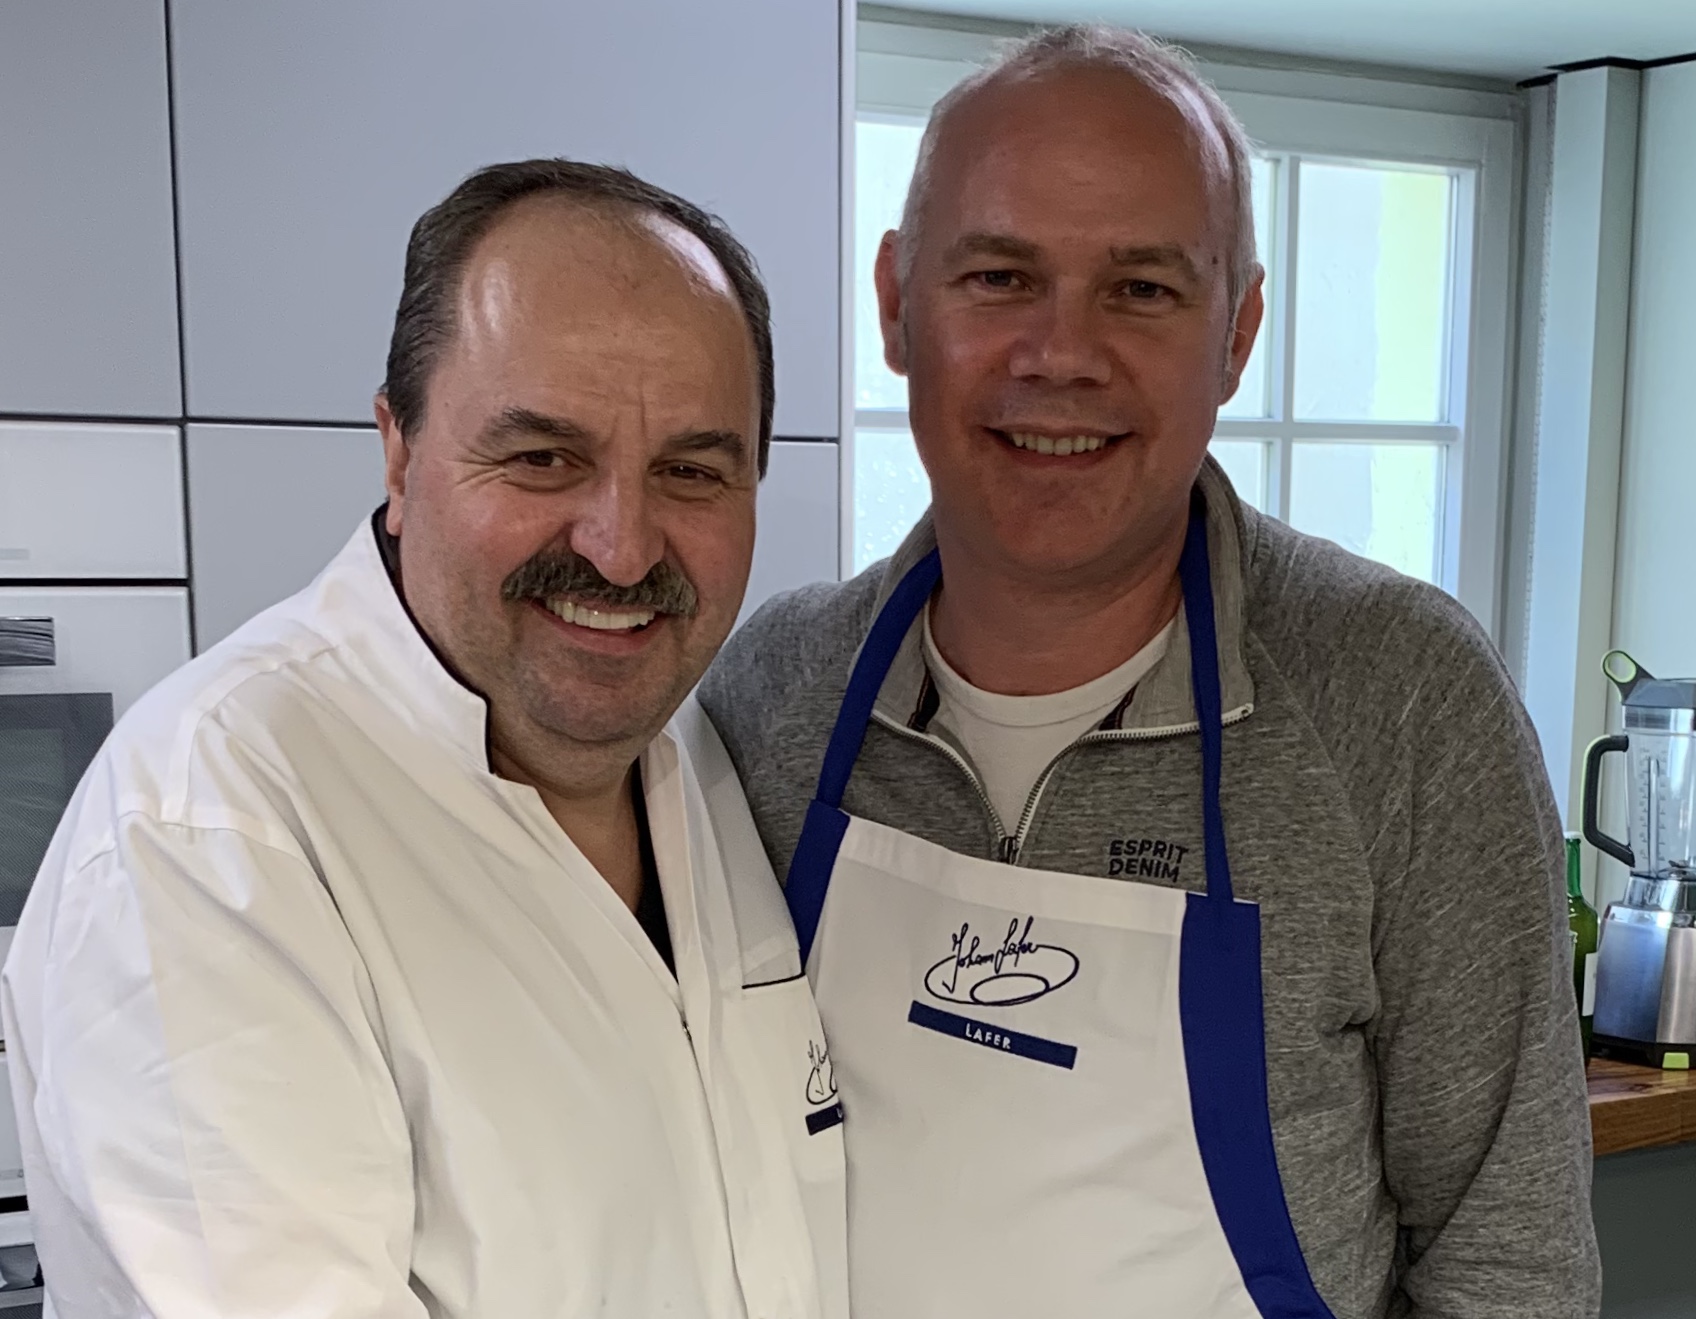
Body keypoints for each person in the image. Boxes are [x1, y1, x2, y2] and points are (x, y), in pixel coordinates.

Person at [700, 25, 1600, 1319]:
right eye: (999, 275)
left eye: (1142, 288)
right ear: (896, 303)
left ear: (1239, 331)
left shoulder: (1401, 698)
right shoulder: (767, 693)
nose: (1060, 352)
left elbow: (1509, 1260)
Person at [2, 160, 846, 1319]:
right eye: (542, 457)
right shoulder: (211, 834)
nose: (621, 547)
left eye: (692, 471)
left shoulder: (699, 758)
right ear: (398, 455)